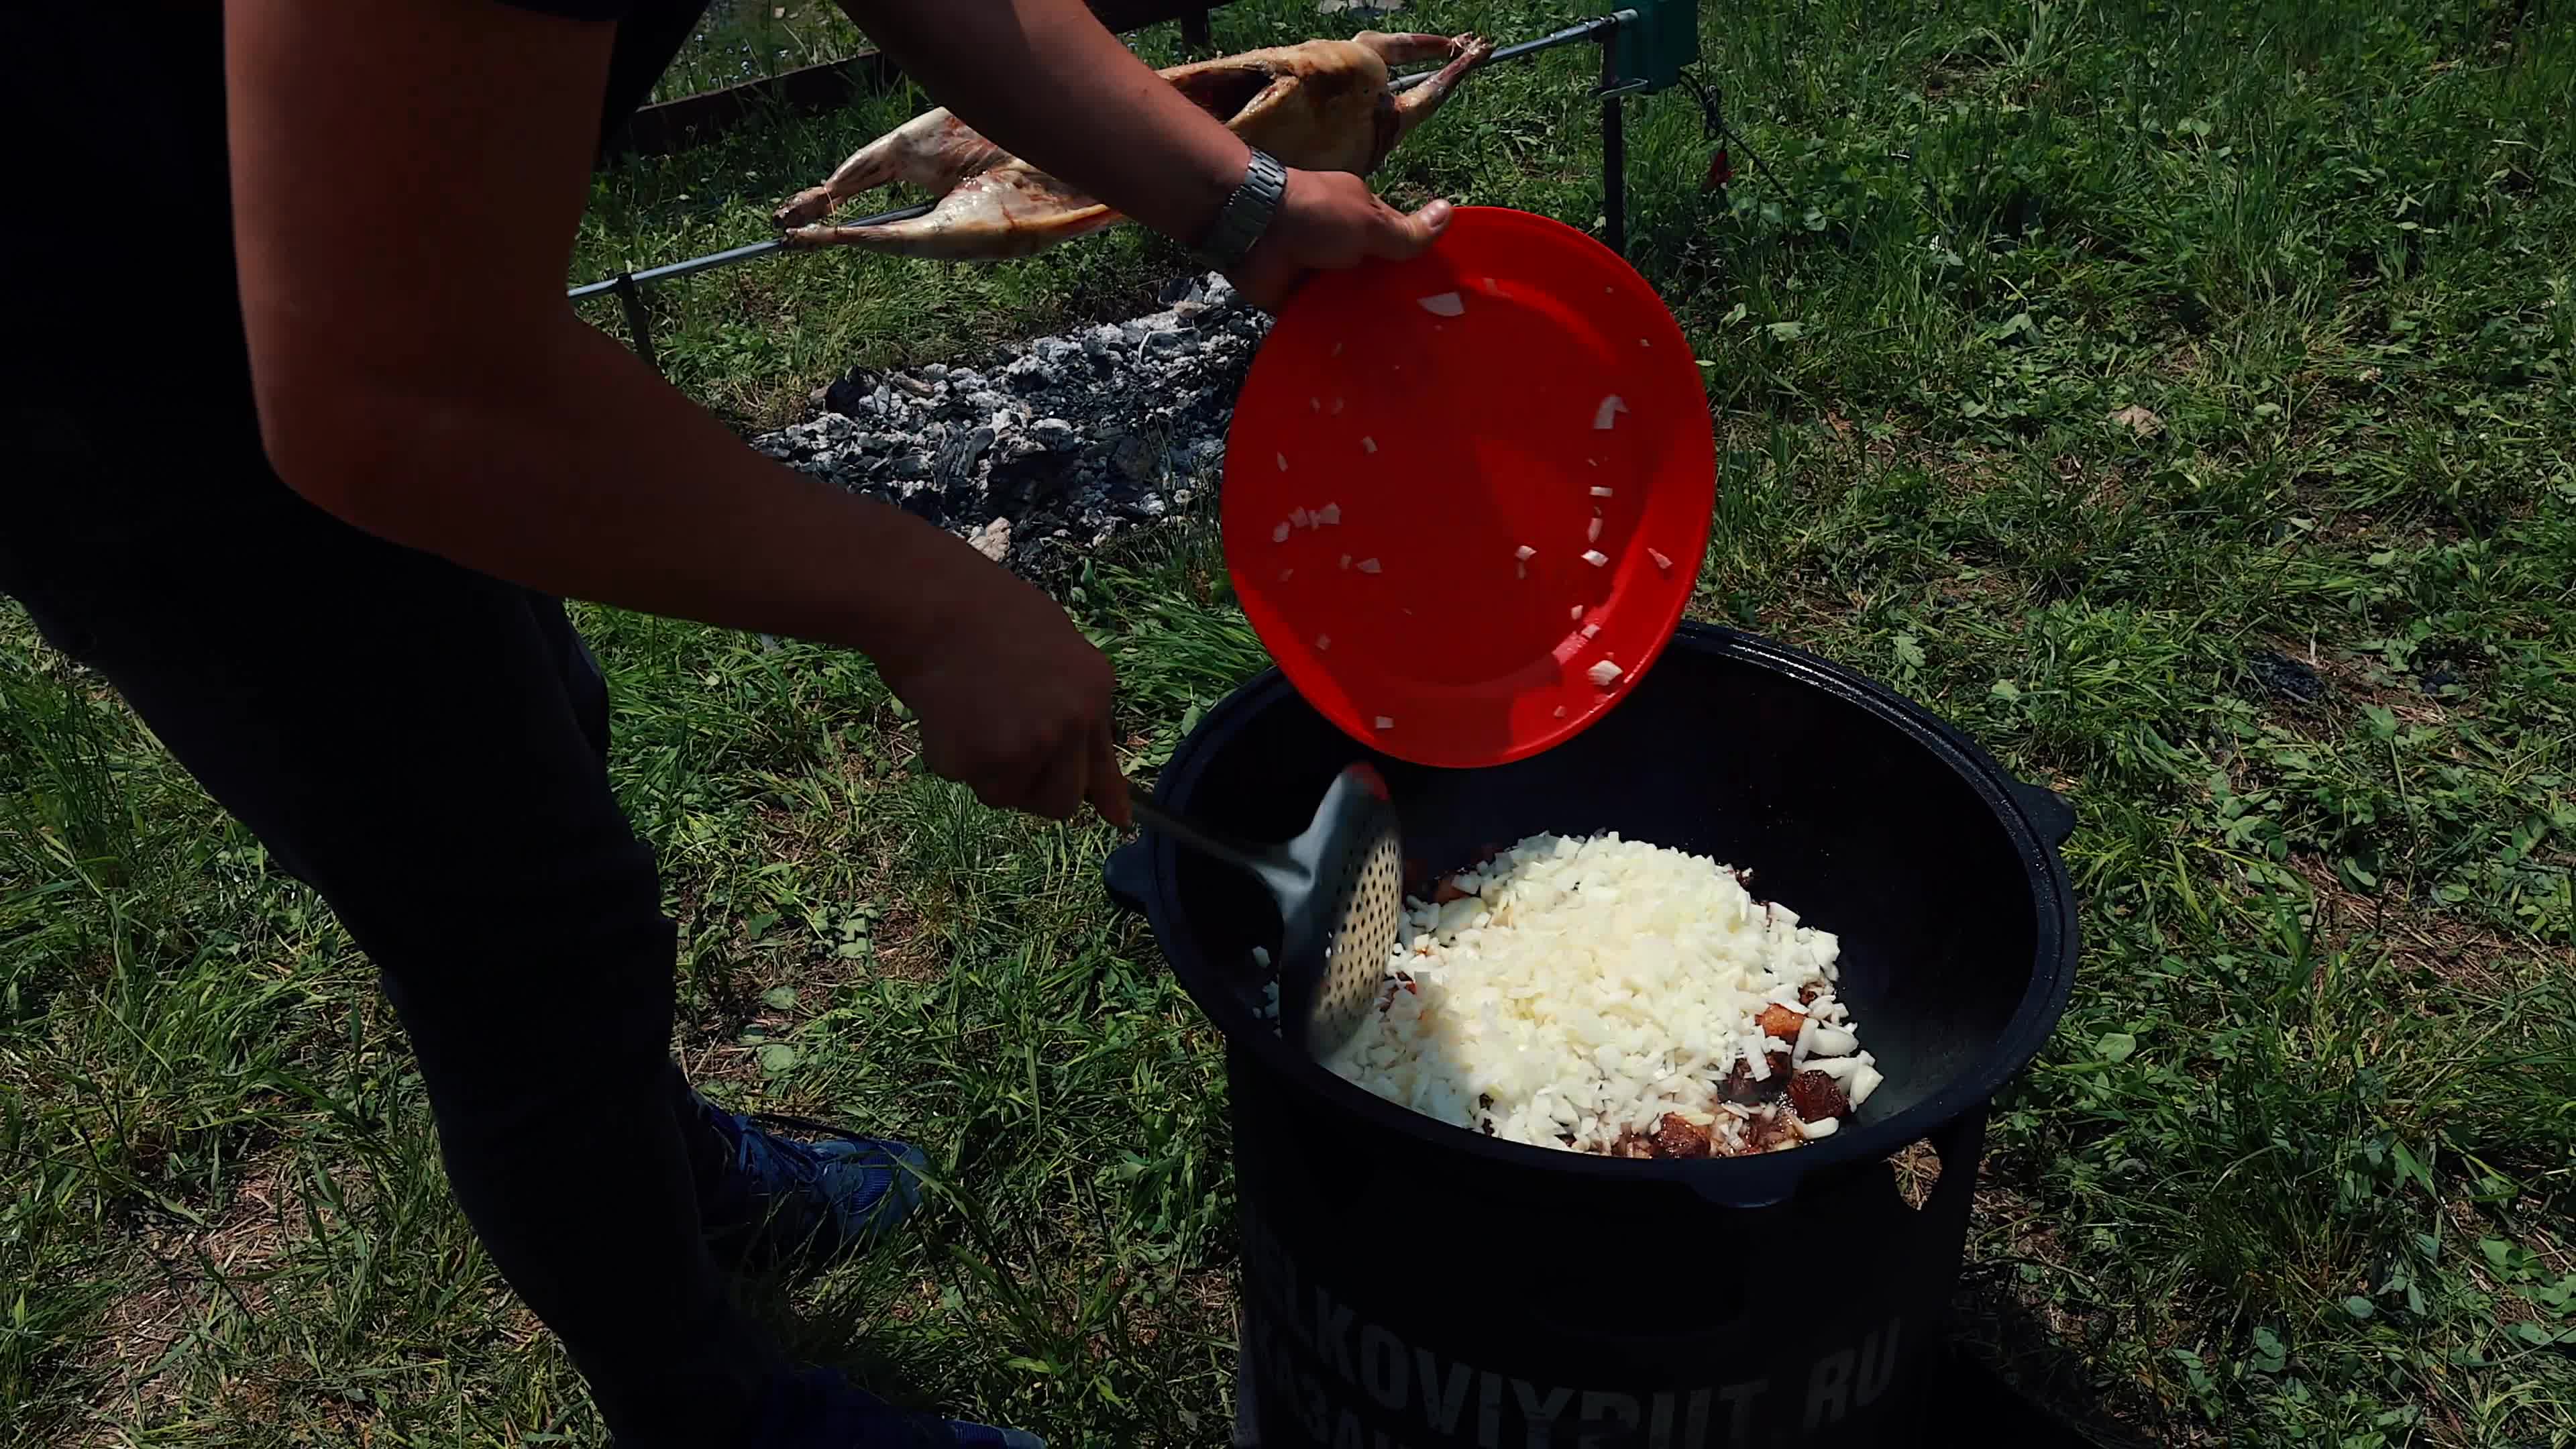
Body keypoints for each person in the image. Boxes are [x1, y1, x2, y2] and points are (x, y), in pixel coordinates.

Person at [0, 2, 1452, 1444]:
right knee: (517, 927)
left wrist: (1240, 201)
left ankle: (658, 1170)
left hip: (302, 220)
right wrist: (928, 604)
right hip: (103, 315)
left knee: (537, 728)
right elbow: (381, 393)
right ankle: (704, 1412)